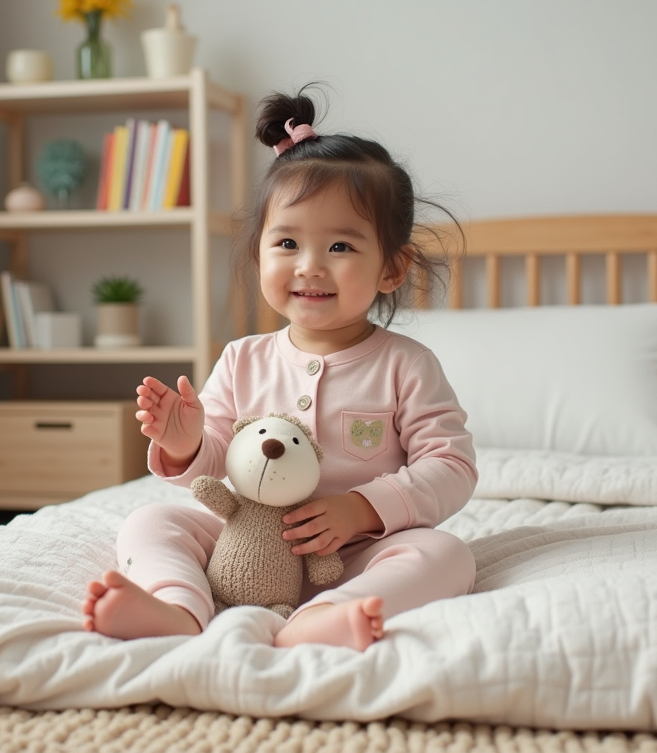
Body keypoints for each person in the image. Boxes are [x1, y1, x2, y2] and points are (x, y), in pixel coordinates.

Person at [82, 85, 478, 651]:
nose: (310, 266)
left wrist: (364, 508)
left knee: (446, 555)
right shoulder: (244, 357)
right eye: (288, 242)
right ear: (259, 254)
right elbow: (217, 453)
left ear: (393, 267)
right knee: (150, 521)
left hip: (353, 557)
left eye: (341, 247)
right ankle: (177, 607)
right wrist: (186, 442)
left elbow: (452, 465)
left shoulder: (406, 365)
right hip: (245, 543)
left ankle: (330, 617)